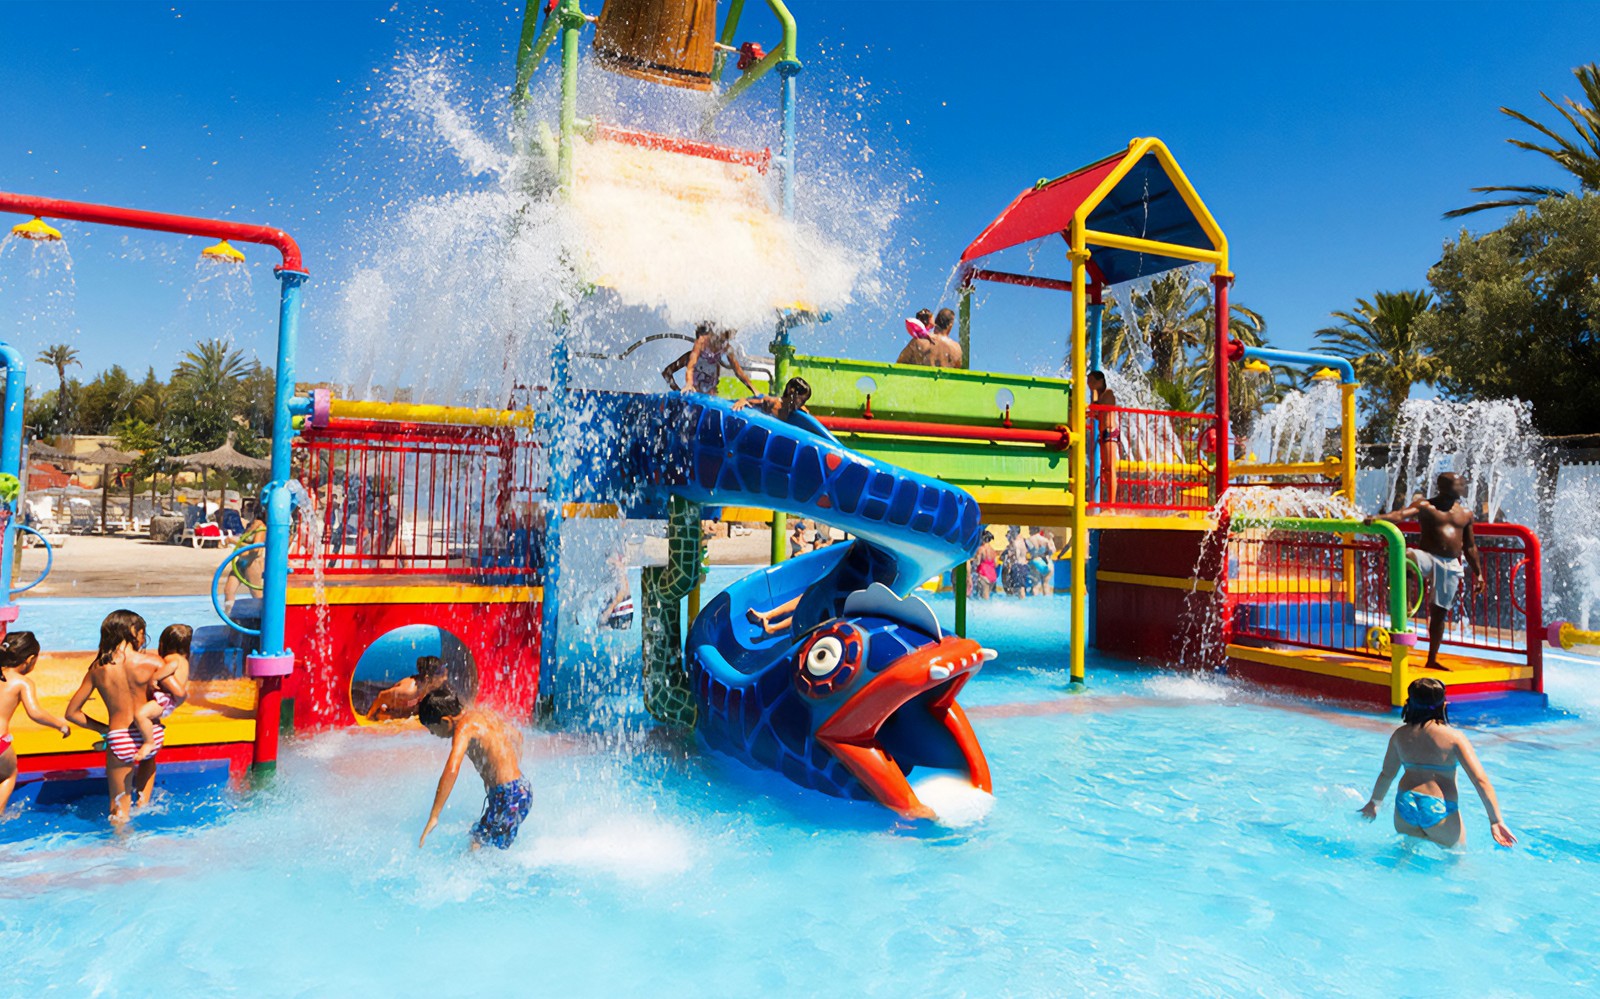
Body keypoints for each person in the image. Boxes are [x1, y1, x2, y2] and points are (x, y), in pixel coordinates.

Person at [1359, 677, 1515, 848]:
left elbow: (1387, 774)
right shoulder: (1454, 738)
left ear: (1409, 703)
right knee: (1455, 862)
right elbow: (1480, 780)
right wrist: (1495, 821)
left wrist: (1374, 803)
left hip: (1405, 804)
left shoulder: (1400, 735)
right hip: (1437, 806)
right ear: (1444, 705)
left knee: (1405, 857)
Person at [1367, 472, 1484, 671]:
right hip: (1428, 557)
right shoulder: (1425, 506)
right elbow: (1400, 515)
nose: (1464, 488)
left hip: (1450, 564)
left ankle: (1432, 658)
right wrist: (1378, 518)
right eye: (1459, 484)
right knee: (1407, 556)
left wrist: (1479, 574)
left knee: (1439, 613)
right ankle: (1407, 600)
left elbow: (1470, 546)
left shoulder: (1466, 514)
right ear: (1445, 487)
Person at [64, 610, 167, 826]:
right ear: (133, 631)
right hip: (151, 733)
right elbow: (172, 695)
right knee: (145, 804)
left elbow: (72, 713)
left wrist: (104, 730)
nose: (142, 638)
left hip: (119, 737)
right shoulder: (154, 662)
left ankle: (120, 850)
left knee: (119, 808)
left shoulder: (98, 668)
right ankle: (147, 831)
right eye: (142, 633)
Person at [417, 687, 530, 850]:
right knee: (477, 843)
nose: (433, 734)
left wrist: (434, 816)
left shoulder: (464, 726)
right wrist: (508, 769)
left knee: (490, 853)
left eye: (432, 729)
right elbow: (517, 736)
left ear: (446, 721)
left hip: (509, 796)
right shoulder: (483, 714)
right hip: (517, 789)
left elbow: (452, 768)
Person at [0, 631, 71, 816]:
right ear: (30, 659)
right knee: (8, 774)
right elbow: (35, 712)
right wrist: (59, 724)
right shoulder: (22, 682)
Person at [125, 624, 192, 762]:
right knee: (145, 715)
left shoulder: (171, 659)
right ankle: (152, 730)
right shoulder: (184, 660)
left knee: (140, 715)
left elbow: (172, 667)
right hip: (170, 701)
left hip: (166, 699)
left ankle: (149, 742)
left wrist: (155, 677)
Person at [663, 322, 758, 396]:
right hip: (695, 394)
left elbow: (738, 371)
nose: (723, 343)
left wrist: (754, 389)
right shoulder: (701, 342)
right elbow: (690, 367)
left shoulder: (726, 347)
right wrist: (685, 386)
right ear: (716, 332)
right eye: (722, 339)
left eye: (726, 339)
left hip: (711, 395)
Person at [367, 655, 452, 722]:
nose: (445, 678)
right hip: (389, 713)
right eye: (441, 674)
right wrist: (369, 717)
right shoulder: (408, 691)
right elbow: (381, 696)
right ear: (427, 678)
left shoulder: (434, 687)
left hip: (409, 708)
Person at [223, 502, 267, 607]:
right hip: (241, 561)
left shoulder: (261, 527)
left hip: (252, 563)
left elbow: (256, 548)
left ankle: (262, 619)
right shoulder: (250, 525)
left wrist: (234, 542)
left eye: (248, 510)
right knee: (228, 590)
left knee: (256, 594)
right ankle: (229, 617)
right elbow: (246, 542)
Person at [1088, 371, 1120, 505]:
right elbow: (1095, 411)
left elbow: (1097, 408)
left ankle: (1112, 504)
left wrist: (1094, 393)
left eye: (1092, 381)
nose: (1089, 384)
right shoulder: (1100, 396)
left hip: (1110, 432)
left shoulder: (1108, 393)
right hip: (1103, 434)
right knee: (1106, 469)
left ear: (1100, 381)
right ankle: (1109, 501)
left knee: (1110, 468)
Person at [895, 308, 964, 368]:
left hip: (919, 382)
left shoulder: (919, 340)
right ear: (950, 325)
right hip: (942, 383)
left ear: (936, 322)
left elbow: (899, 363)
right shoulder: (956, 348)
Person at [732, 376, 812, 425]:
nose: (802, 403)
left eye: (804, 401)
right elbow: (749, 401)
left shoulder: (794, 407)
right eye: (801, 400)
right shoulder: (773, 402)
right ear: (791, 392)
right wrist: (743, 401)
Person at [598, 552, 634, 630]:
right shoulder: (613, 565)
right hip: (617, 610)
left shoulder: (617, 565)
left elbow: (622, 591)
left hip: (622, 612)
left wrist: (609, 610)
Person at [1028, 528, 1057, 596]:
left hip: (1035, 561)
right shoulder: (1045, 540)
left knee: (1035, 585)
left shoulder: (1029, 540)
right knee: (1046, 584)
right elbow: (1052, 551)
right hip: (1046, 562)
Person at [972, 533, 999, 600]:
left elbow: (977, 562)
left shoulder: (981, 549)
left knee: (983, 598)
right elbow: (996, 564)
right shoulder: (993, 550)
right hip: (992, 575)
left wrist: (973, 559)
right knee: (987, 596)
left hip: (983, 573)